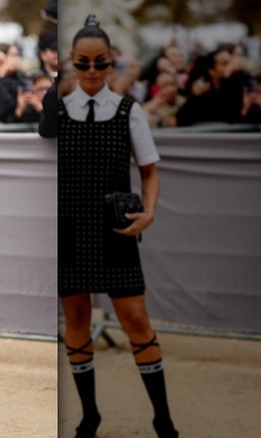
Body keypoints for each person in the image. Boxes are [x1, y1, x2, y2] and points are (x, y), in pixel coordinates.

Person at [59, 15, 178, 438]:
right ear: (71, 63)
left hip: (116, 232)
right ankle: (89, 416)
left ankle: (162, 418)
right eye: (83, 63)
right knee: (75, 321)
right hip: (70, 234)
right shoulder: (59, 113)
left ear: (111, 64)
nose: (92, 71)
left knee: (137, 322)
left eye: (100, 63)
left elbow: (150, 171)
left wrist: (149, 212)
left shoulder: (131, 111)